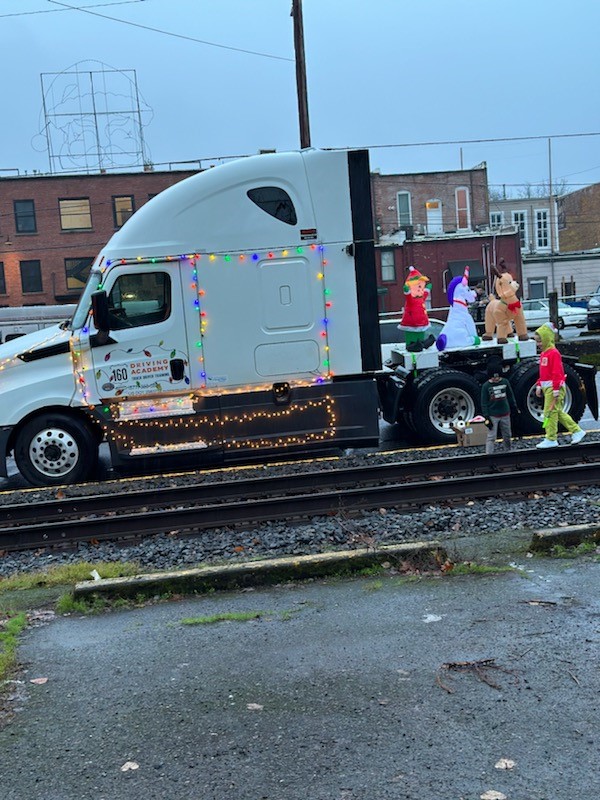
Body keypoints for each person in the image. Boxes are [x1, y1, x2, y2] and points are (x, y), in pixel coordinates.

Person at [534, 322, 586, 449]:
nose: (538, 344)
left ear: (547, 339)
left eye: (540, 341)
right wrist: (539, 384)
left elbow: (557, 372)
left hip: (553, 387)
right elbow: (544, 373)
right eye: (537, 341)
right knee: (556, 412)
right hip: (549, 387)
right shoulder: (545, 353)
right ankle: (576, 431)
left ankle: (551, 438)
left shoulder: (553, 353)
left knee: (550, 412)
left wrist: (556, 389)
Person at [480, 357, 518, 454]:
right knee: (491, 436)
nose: (496, 379)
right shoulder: (486, 386)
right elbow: (484, 402)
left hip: (505, 413)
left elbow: (510, 396)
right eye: (493, 377)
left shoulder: (505, 382)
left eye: (498, 377)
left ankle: (508, 451)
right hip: (493, 415)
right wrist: (486, 416)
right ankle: (489, 454)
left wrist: (514, 407)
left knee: (507, 435)